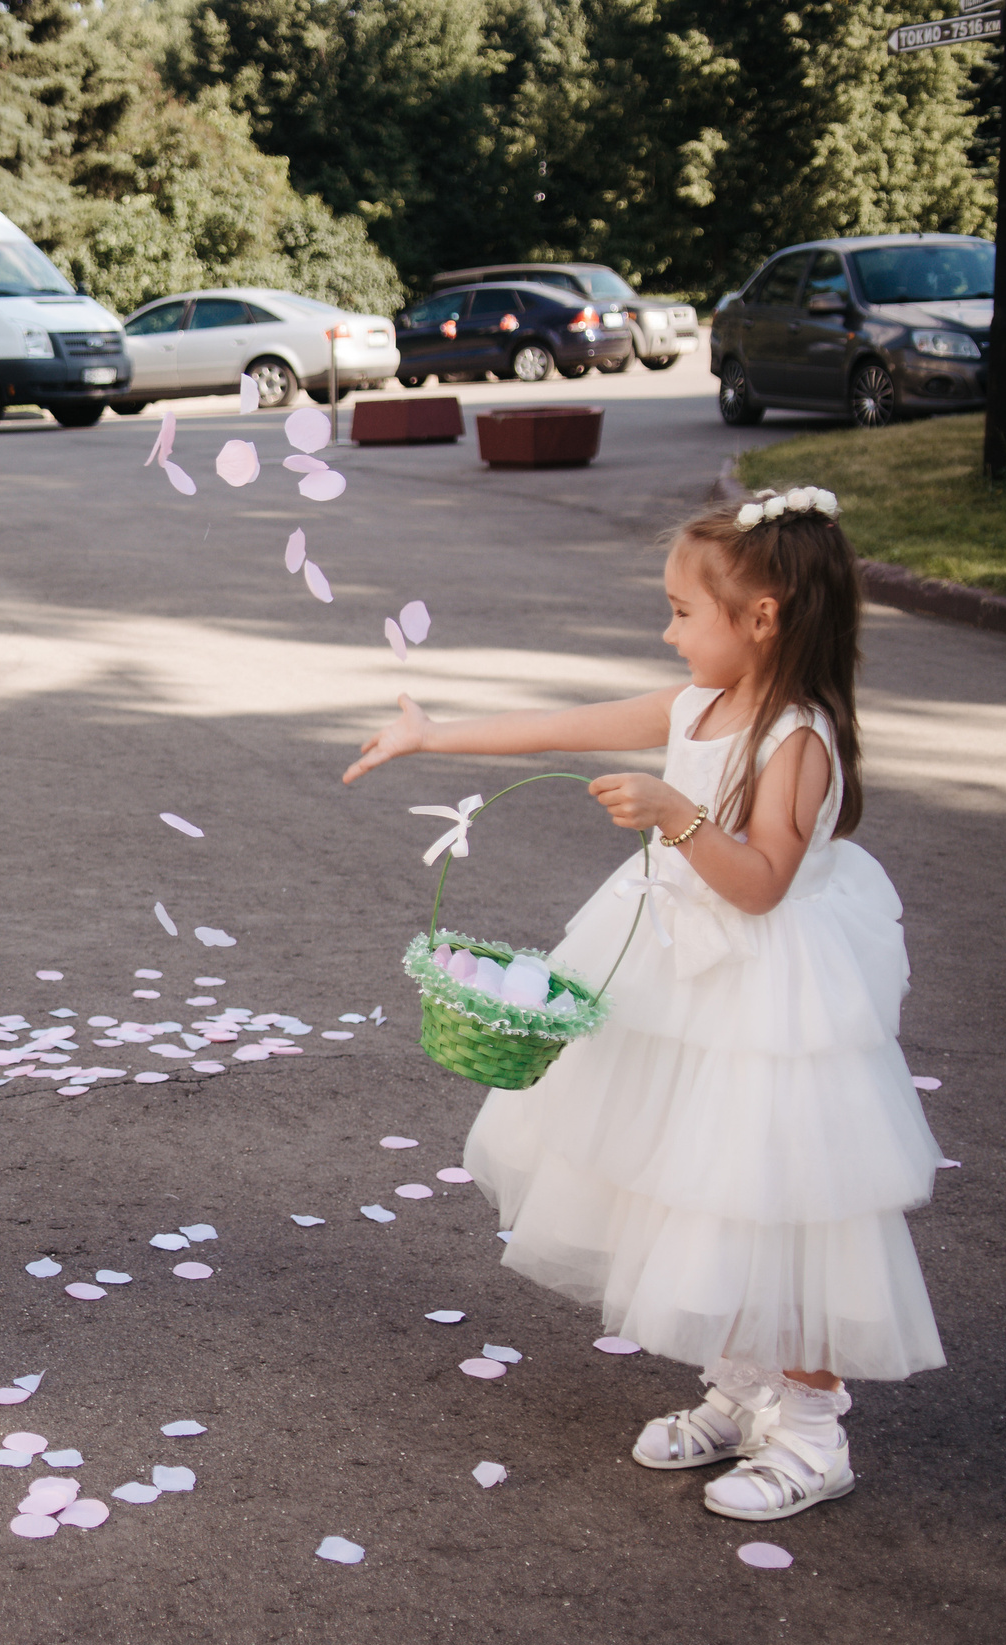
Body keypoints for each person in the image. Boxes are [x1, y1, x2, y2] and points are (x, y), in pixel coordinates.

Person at [342, 485, 943, 1523]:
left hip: (764, 1002)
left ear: (761, 619)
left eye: (679, 611)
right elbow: (563, 724)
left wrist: (673, 814)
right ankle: (742, 1384)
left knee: (774, 1200)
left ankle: (808, 1427)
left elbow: (757, 885)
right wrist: (432, 737)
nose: (665, 631)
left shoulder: (795, 738)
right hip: (679, 984)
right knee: (691, 1184)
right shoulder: (697, 706)